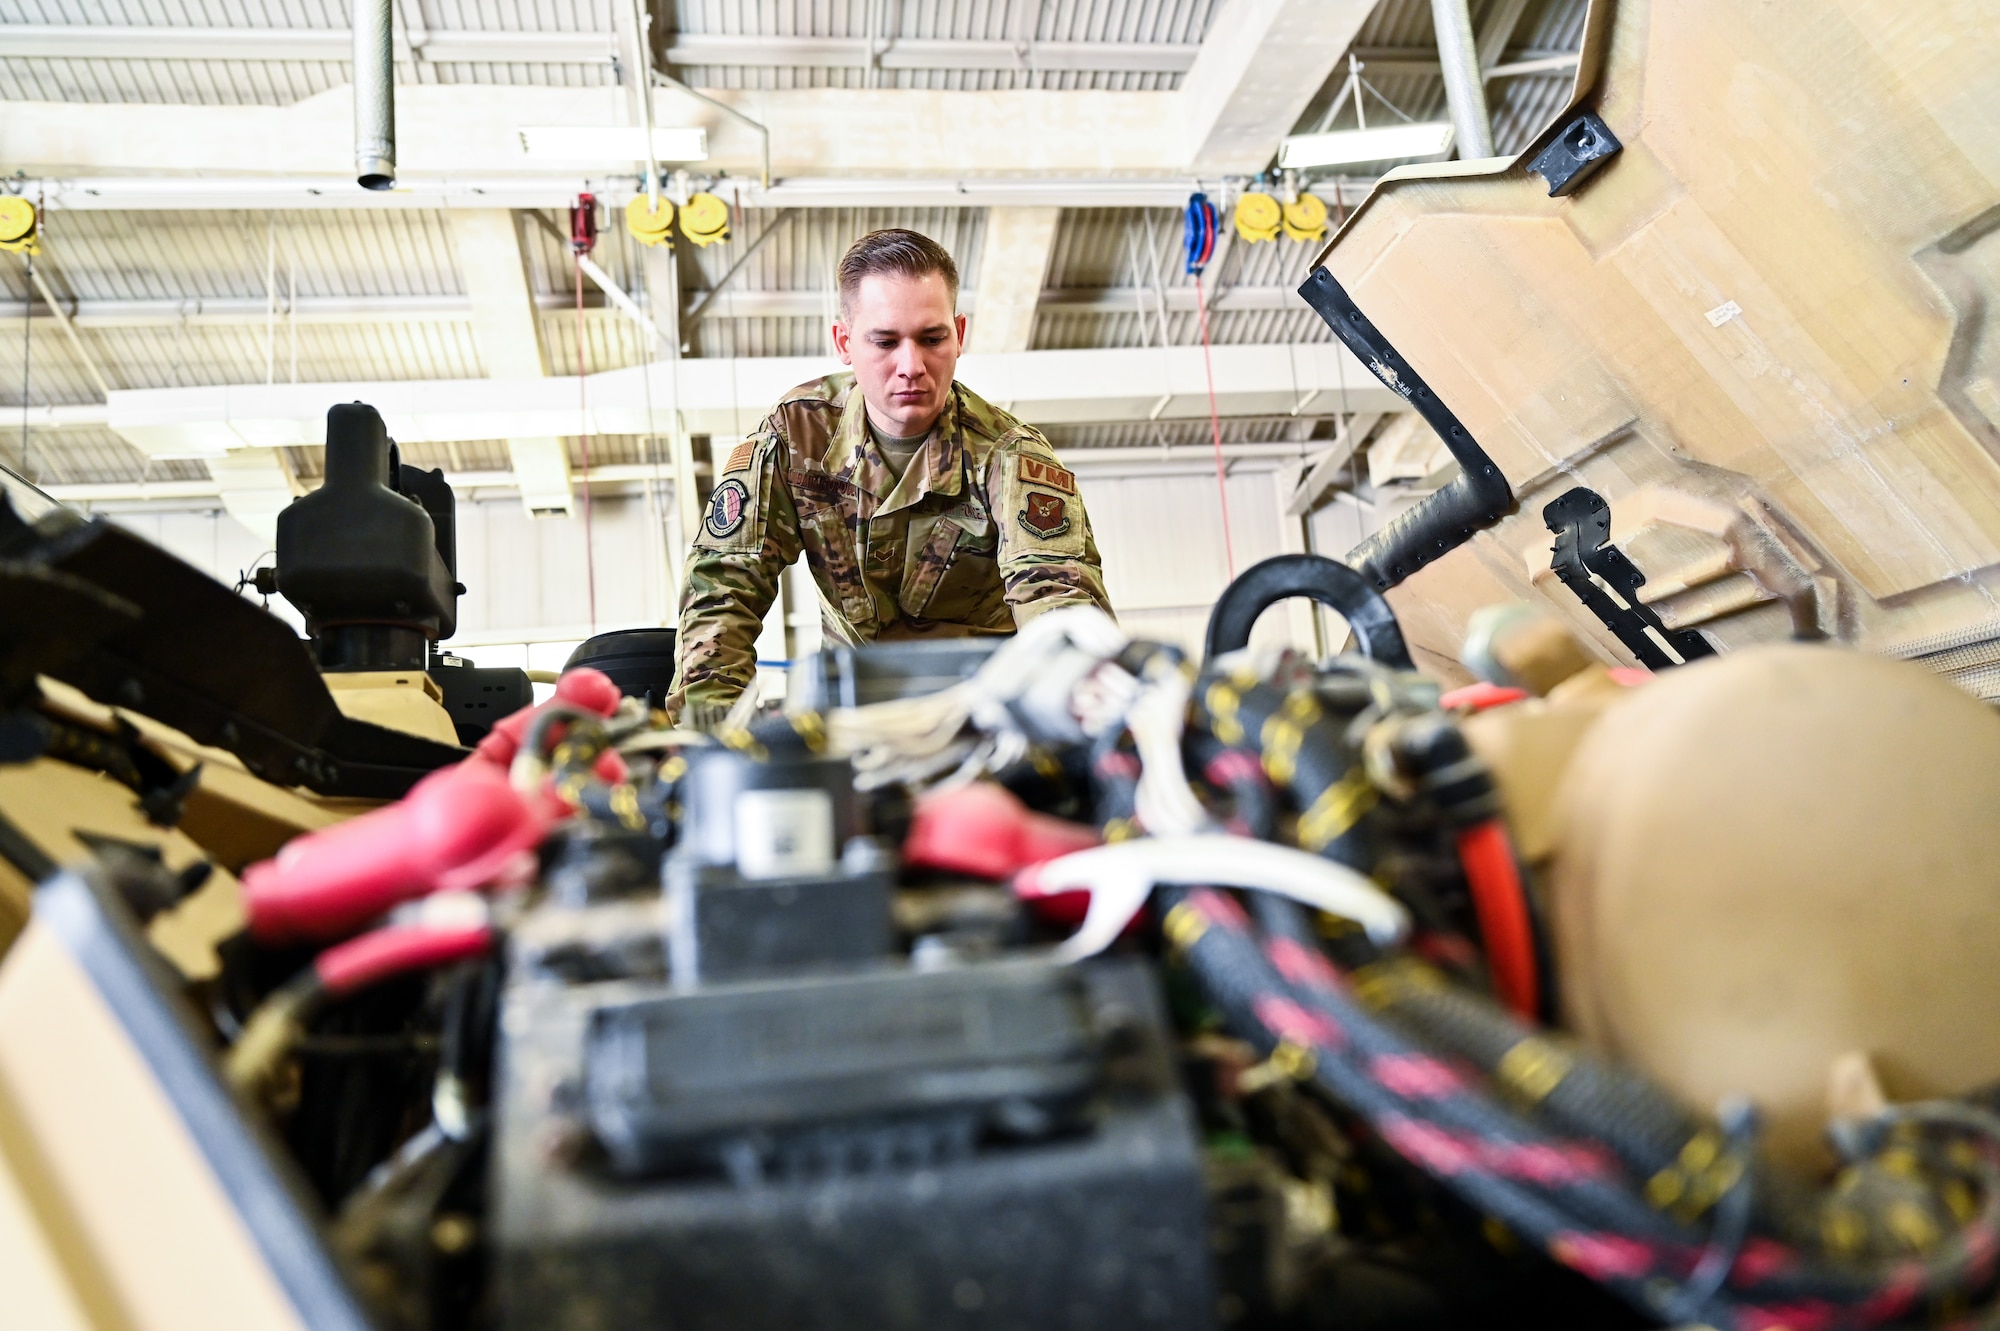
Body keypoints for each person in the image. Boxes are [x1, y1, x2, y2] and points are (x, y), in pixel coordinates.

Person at [666, 227, 1114, 725]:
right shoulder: (799, 435)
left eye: (932, 338)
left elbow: (1059, 607)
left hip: (986, 714)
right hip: (851, 709)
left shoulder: (1010, 457)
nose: (911, 366)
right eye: (884, 341)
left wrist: (1081, 717)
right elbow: (724, 587)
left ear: (959, 336)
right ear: (844, 342)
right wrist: (711, 733)